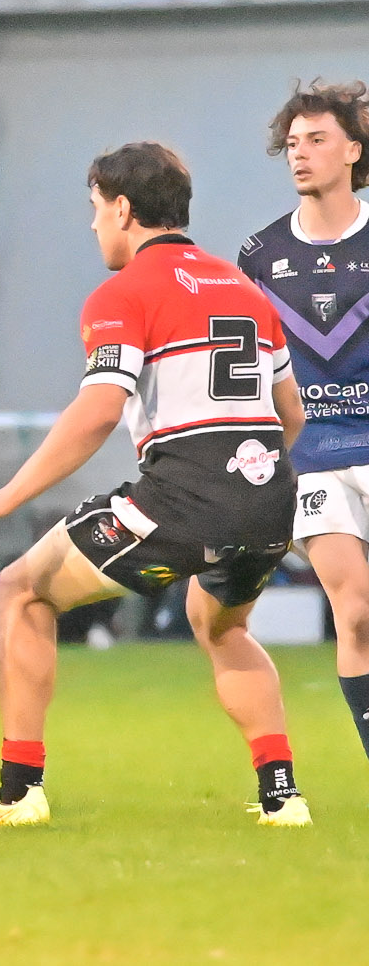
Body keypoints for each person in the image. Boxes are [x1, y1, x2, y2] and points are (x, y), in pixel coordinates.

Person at [0, 142, 308, 828]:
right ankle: (283, 797)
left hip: (183, 499)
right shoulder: (245, 291)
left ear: (122, 208)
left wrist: (5, 497)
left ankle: (19, 793)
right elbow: (292, 414)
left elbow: (98, 412)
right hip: (269, 499)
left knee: (22, 588)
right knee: (222, 626)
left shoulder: (125, 293)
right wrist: (247, 481)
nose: (92, 225)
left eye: (94, 208)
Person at [240, 80, 369, 768]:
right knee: (356, 610)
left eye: (317, 139)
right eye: (293, 143)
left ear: (353, 150)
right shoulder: (258, 256)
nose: (300, 153)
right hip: (310, 453)